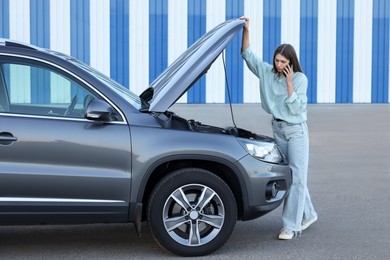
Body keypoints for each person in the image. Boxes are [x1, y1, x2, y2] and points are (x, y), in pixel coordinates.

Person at [240, 17, 317, 240]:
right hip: (278, 129)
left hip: (296, 130)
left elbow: (297, 108)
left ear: (291, 62)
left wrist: (290, 83)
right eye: (277, 60)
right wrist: (247, 30)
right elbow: (248, 55)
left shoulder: (300, 79)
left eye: (284, 62)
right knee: (292, 176)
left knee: (298, 176)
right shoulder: (266, 73)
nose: (279, 65)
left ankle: (291, 226)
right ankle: (309, 213)